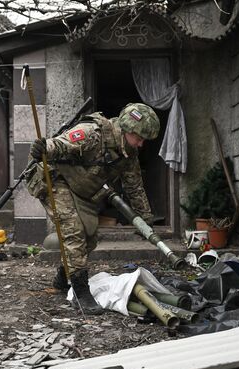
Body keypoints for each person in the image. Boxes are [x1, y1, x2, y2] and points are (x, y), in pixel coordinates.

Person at [25, 103, 160, 315]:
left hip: (82, 190)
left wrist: (145, 217)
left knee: (89, 237)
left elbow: (134, 185)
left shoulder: (129, 154)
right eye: (139, 137)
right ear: (126, 129)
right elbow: (60, 145)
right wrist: (44, 147)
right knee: (74, 231)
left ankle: (63, 277)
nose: (141, 144)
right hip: (56, 180)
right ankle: (80, 293)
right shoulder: (94, 134)